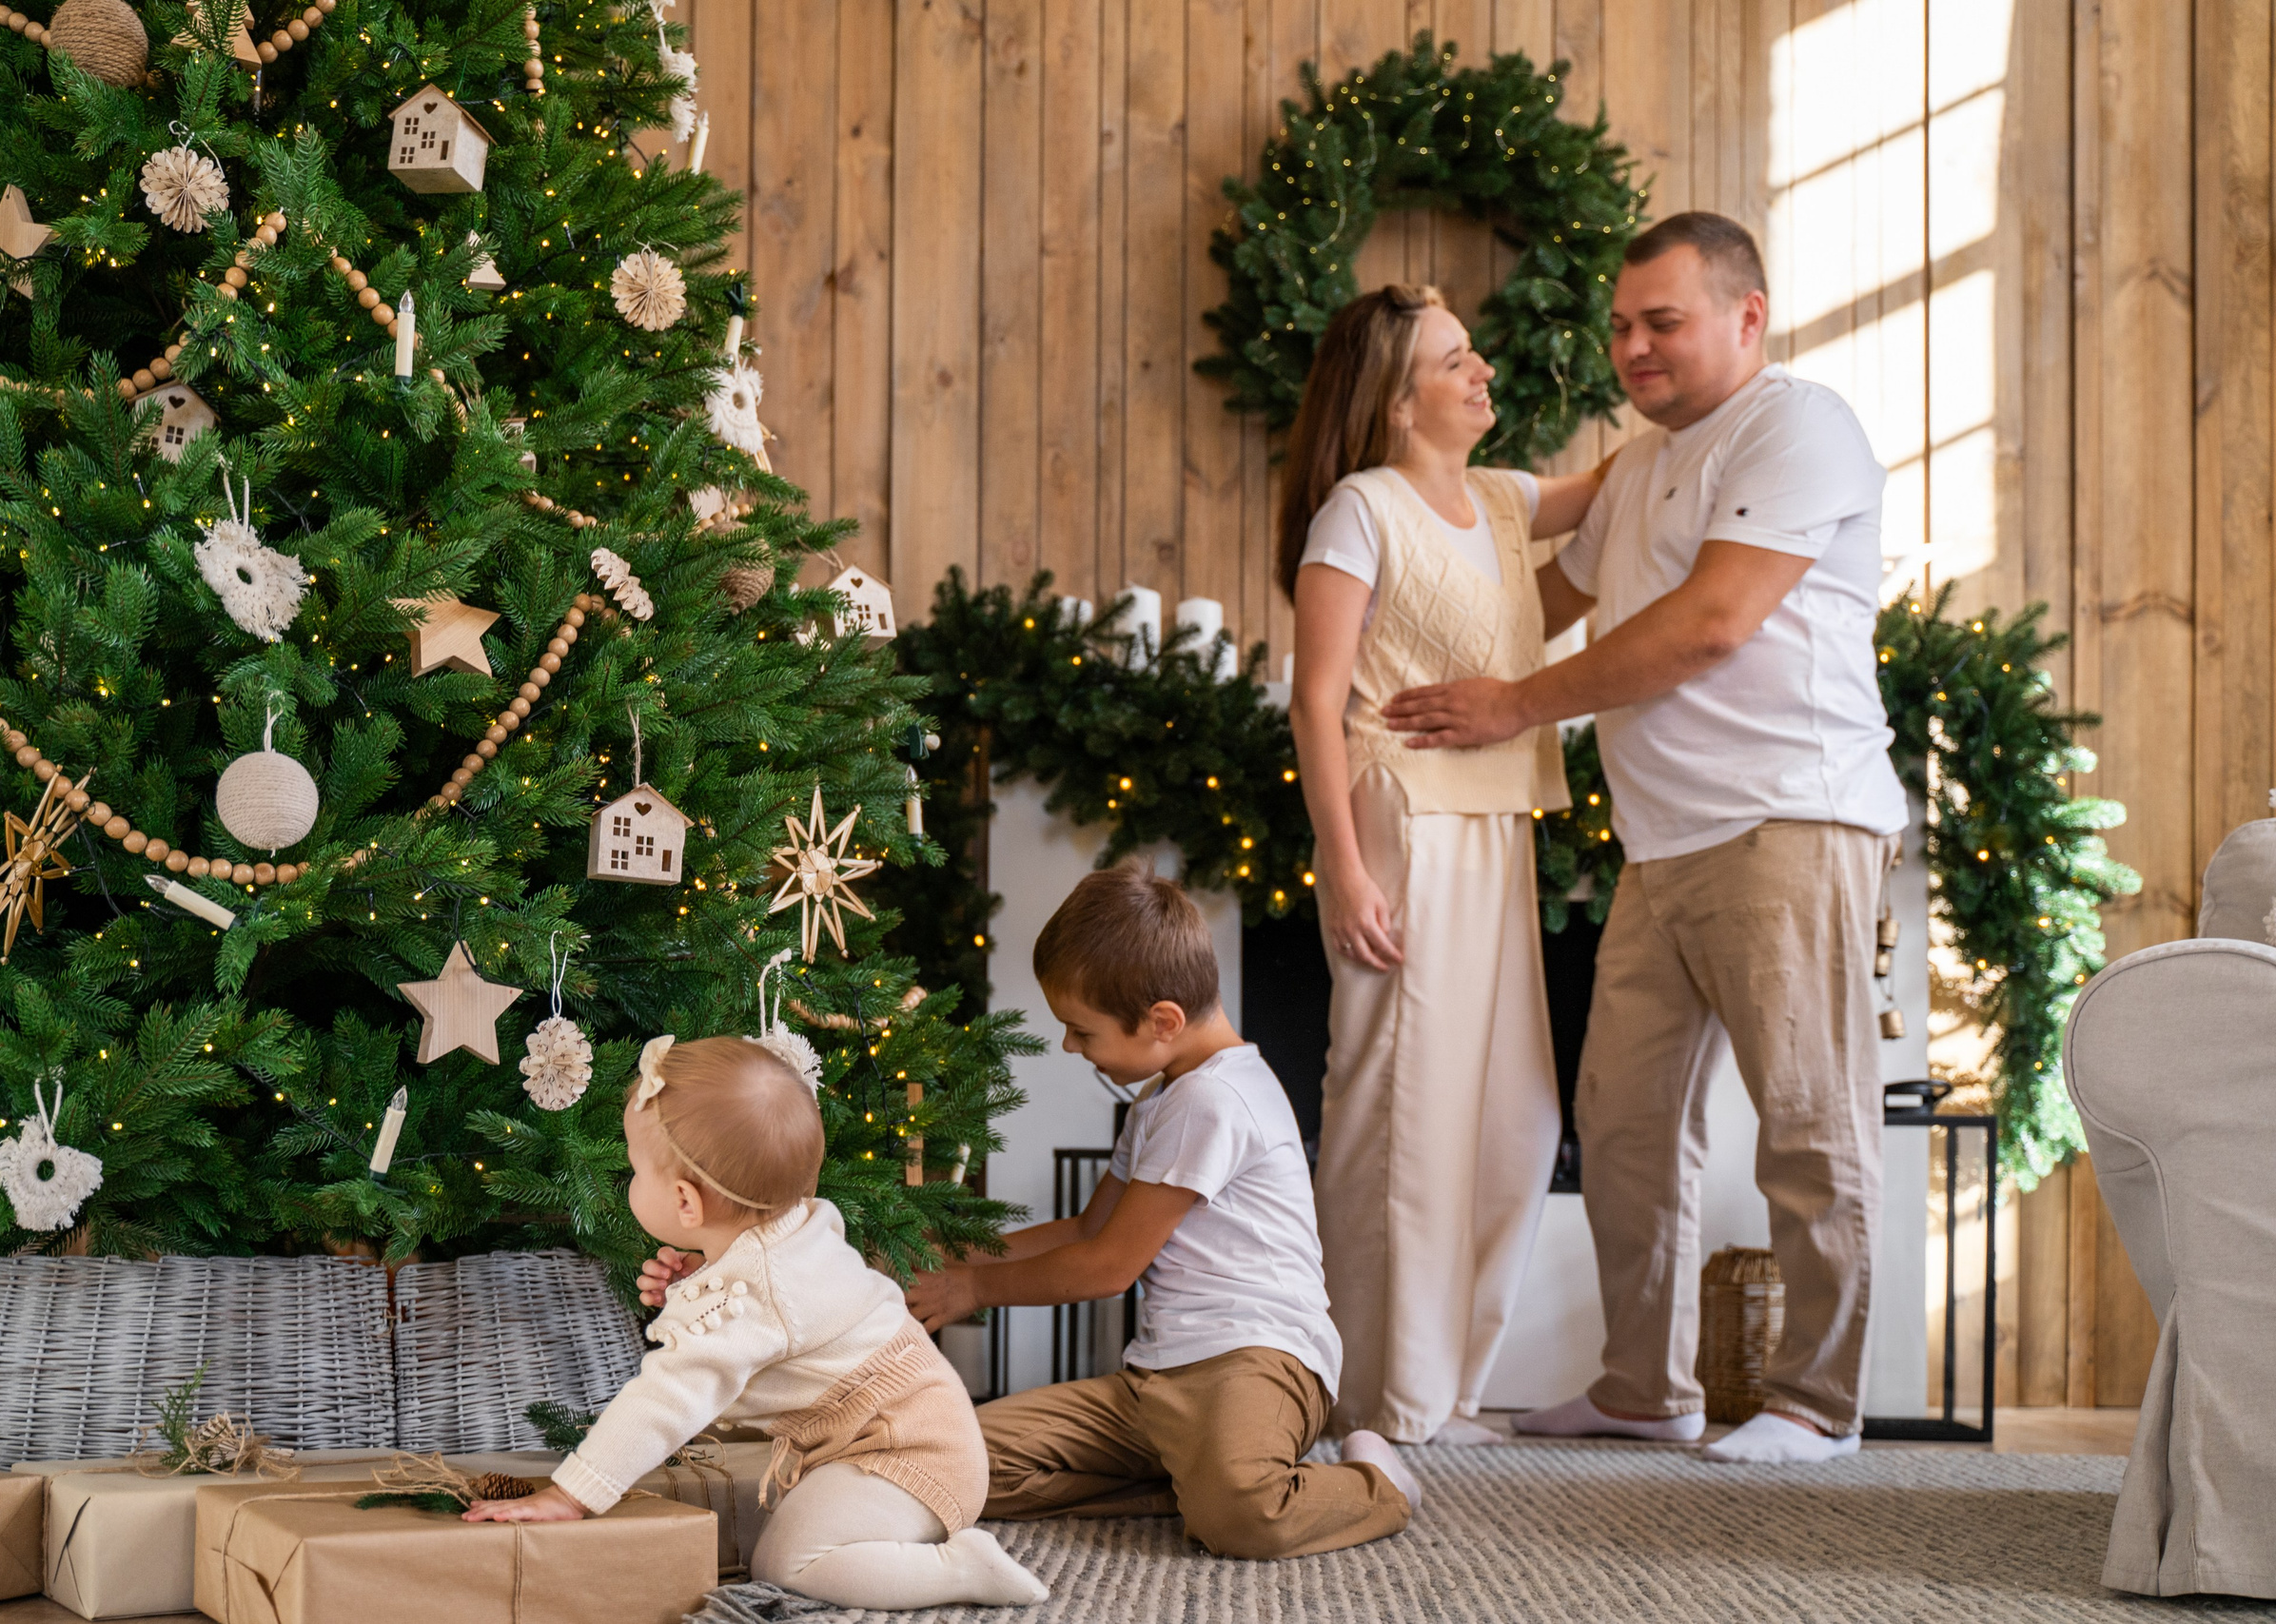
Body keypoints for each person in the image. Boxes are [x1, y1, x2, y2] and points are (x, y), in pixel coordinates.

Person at [1379, 212, 1908, 1465]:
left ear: (1747, 315)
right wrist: (1377, 589)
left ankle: (1815, 1402)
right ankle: (1643, 1381)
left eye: (1661, 321)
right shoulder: (1635, 469)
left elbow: (1713, 621)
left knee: (1807, 1115)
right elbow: (1534, 601)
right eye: (1621, 325)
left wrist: (1506, 706)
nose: (1632, 346)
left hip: (1793, 814)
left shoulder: (1798, 427)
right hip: (1662, 844)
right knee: (1621, 1122)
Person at [1284, 284, 1602, 1444]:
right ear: (1397, 399)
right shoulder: (1358, 511)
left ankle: (1444, 1387)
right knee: (1404, 1116)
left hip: (1499, 818)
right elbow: (1315, 698)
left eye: (1474, 356)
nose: (1482, 376)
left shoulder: (1505, 504)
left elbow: (1621, 487)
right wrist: (1344, 866)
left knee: (1513, 1121)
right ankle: (1379, 1396)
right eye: (1454, 361)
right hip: (1400, 820)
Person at [904, 862, 1415, 1558]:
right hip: (1155, 1380)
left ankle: (1375, 1482)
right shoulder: (1161, 1096)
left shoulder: (1215, 1100)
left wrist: (973, 1288)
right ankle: (1187, 1482)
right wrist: (958, 1257)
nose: (1069, 1046)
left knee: (1245, 1514)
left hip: (1255, 1358)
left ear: (1162, 1020)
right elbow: (1087, 1228)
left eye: (1082, 1031)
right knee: (961, 1462)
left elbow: (1109, 1264)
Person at [462, 1034, 1048, 1610]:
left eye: (636, 1171)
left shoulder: (754, 1291)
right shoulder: (798, 1226)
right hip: (924, 1428)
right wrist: (699, 1284)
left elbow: (667, 1398)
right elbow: (777, 1314)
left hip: (906, 1455)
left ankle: (959, 1568)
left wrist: (574, 1493)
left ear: (687, 1204)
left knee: (788, 1562)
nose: (629, 1182)